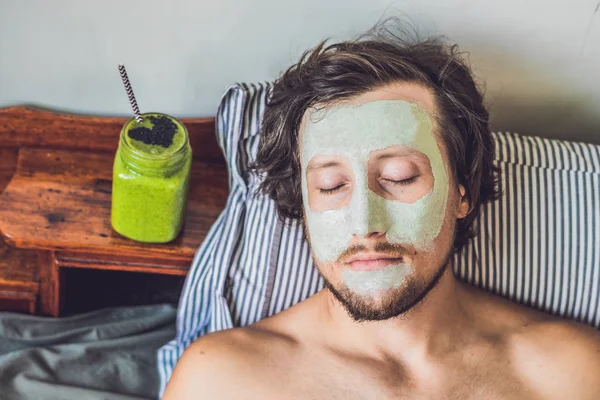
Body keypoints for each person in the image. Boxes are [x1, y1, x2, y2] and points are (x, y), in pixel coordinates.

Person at [163, 23, 600, 399]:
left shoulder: (569, 374)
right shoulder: (220, 380)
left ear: (463, 193)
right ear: (304, 207)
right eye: (331, 186)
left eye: (400, 177)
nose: (365, 223)